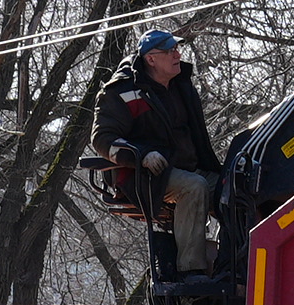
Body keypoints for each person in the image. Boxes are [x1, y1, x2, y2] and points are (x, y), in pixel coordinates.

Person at [93, 26, 220, 283]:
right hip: (146, 175)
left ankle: (230, 263)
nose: (177, 54)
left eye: (177, 48)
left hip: (188, 167)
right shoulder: (120, 92)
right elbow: (102, 139)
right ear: (151, 59)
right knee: (195, 187)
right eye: (170, 50)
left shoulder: (181, 85)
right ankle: (191, 272)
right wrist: (141, 156)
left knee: (236, 187)